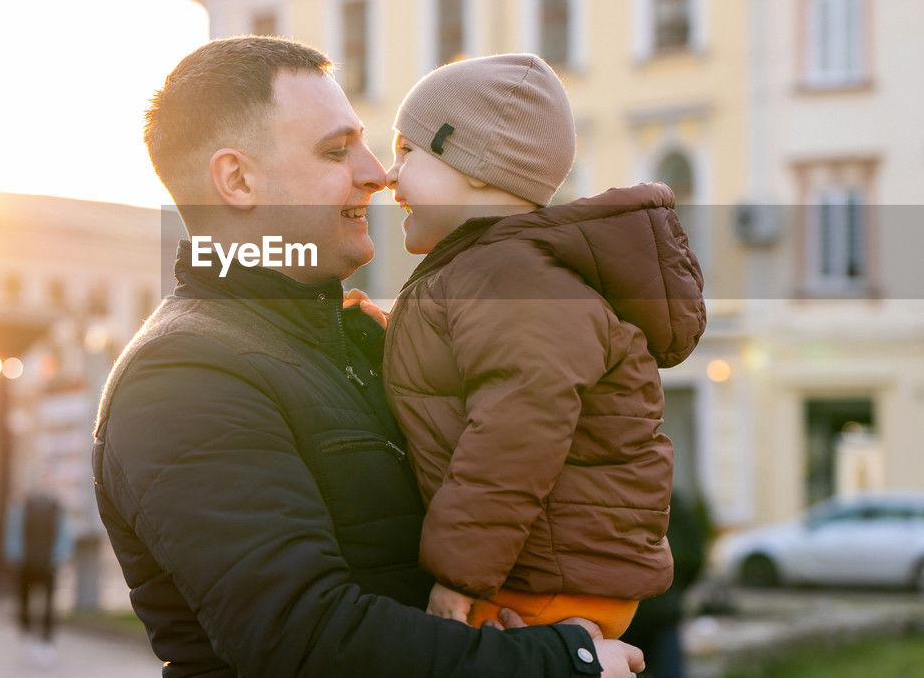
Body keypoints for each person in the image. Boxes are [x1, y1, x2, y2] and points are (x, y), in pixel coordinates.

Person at [93, 36, 645, 677]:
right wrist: (560, 661)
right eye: (335, 151)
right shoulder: (182, 377)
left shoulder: (367, 338)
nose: (378, 173)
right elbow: (303, 638)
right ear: (239, 180)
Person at [381, 53, 706, 637]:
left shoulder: (506, 276)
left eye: (407, 151)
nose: (388, 174)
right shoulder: (496, 271)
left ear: (475, 164)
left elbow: (519, 425)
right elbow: (470, 376)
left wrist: (459, 574)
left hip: (533, 585)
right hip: (542, 573)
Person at [620, 492, 707, 678]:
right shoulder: (673, 505)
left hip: (654, 618)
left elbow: (693, 560)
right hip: (632, 618)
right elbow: (694, 559)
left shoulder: (674, 507)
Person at [3, 474, 72, 663]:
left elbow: (64, 532)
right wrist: (14, 554)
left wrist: (61, 556)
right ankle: (26, 634)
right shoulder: (21, 505)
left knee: (49, 603)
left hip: (48, 562)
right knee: (24, 600)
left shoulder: (57, 506)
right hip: (26, 560)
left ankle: (46, 641)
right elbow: (13, 530)